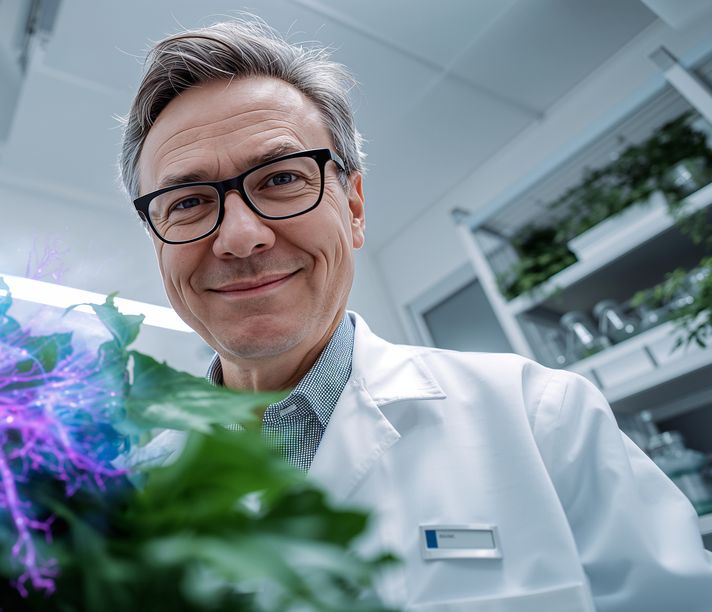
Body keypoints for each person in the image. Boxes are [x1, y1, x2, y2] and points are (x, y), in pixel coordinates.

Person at [117, 17, 712, 612]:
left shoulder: (543, 419)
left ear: (353, 207)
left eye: (281, 178)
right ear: (156, 242)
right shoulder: (117, 499)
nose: (240, 237)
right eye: (188, 202)